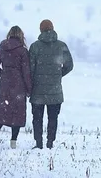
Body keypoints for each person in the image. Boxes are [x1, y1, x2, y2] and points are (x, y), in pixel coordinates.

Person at [29, 19, 74, 149]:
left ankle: (39, 143)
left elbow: (30, 69)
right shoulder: (61, 46)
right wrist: (58, 75)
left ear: (40, 30)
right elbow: (69, 65)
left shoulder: (35, 47)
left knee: (37, 119)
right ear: (53, 28)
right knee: (53, 118)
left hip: (37, 91)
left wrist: (34, 80)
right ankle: (50, 142)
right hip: (55, 91)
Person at [0, 26, 32, 149]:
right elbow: (26, 72)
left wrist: (4, 75)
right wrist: (29, 89)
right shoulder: (23, 51)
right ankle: (13, 143)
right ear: (21, 36)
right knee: (17, 113)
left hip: (5, 85)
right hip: (19, 86)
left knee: (2, 111)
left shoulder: (2, 48)